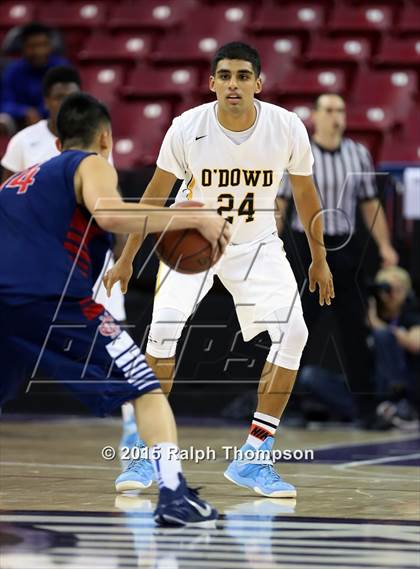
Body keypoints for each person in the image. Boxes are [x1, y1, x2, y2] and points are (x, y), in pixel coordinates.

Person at [104, 42, 334, 497]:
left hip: (256, 243)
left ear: (258, 84)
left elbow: (307, 196)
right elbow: (154, 197)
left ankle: (255, 456)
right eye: (225, 75)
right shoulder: (187, 127)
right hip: (194, 237)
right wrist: (128, 257)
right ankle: (145, 452)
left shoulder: (286, 127)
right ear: (211, 83)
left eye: (243, 76)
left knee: (295, 334)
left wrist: (320, 257)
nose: (233, 84)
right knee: (163, 331)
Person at [0, 92, 231, 525]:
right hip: (53, 297)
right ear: (105, 138)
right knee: (145, 388)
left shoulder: (15, 182)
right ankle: (175, 495)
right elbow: (108, 213)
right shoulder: (89, 163)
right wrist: (189, 218)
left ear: (56, 141)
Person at [276, 93, 399, 426]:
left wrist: (385, 246)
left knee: (355, 333)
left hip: (346, 247)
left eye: (341, 110)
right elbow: (281, 205)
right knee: (297, 329)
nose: (336, 116)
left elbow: (370, 203)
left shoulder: (358, 154)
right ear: (315, 115)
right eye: (329, 110)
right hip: (307, 247)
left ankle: (366, 410)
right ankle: (283, 409)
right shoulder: (300, 152)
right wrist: (268, 243)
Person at [368, 266, 420, 428]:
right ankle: (379, 411)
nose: (392, 294)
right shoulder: (368, 314)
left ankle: (399, 406)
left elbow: (415, 344)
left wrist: (379, 326)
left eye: (399, 289)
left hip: (404, 383)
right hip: (373, 383)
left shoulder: (411, 314)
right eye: (387, 288)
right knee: (311, 376)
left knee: (383, 336)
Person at [0, 22, 67, 131]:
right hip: (20, 123)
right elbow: (5, 103)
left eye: (44, 45)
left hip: (54, 123)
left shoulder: (62, 68)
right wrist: (24, 111)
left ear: (50, 46)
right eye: (33, 46)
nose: (39, 51)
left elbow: (68, 100)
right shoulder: (13, 70)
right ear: (23, 47)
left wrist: (41, 112)